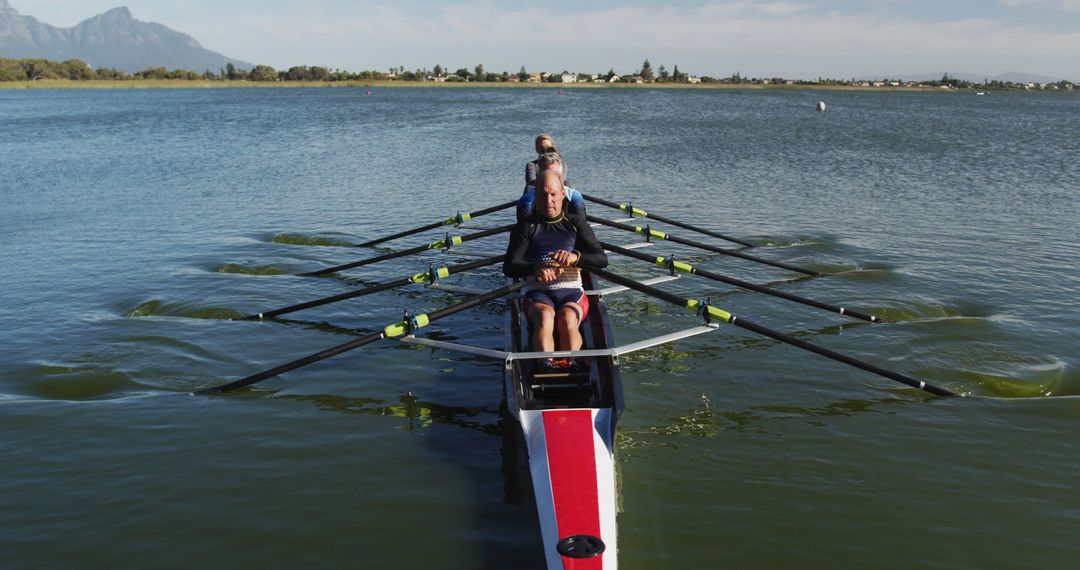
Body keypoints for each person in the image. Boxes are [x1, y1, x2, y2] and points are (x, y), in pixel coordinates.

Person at [504, 170, 608, 369]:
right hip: (537, 292)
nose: (548, 200)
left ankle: (571, 363)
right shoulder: (525, 227)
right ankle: (546, 363)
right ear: (536, 197)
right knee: (545, 316)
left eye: (553, 194)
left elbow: (601, 259)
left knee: (567, 317)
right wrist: (536, 268)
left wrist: (576, 257)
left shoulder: (576, 223)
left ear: (562, 194)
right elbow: (510, 266)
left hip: (573, 292)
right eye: (543, 195)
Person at [517, 151, 585, 220]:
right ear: (538, 176)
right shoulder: (527, 201)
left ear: (561, 176)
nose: (550, 179)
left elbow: (581, 225)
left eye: (554, 175)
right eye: (546, 174)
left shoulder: (575, 197)